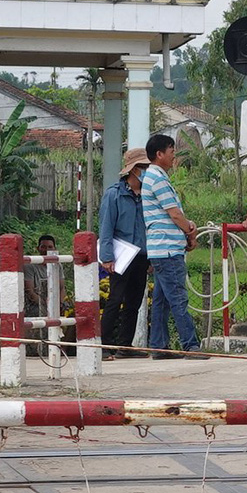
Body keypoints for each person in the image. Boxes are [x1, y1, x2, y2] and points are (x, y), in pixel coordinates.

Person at [140, 133, 202, 360]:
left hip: (161, 248)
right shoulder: (157, 179)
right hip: (167, 249)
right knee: (178, 298)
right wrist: (190, 231)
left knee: (162, 301)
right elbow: (175, 214)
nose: (174, 154)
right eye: (171, 150)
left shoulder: (154, 177)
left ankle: (159, 345)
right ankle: (190, 345)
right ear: (159, 154)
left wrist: (187, 227)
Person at [97, 148, 151, 358]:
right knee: (115, 299)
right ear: (134, 169)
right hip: (121, 256)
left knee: (134, 302)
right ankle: (104, 345)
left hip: (142, 255)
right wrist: (107, 257)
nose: (146, 172)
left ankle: (125, 346)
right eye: (144, 168)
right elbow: (106, 227)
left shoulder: (148, 195)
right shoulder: (114, 194)